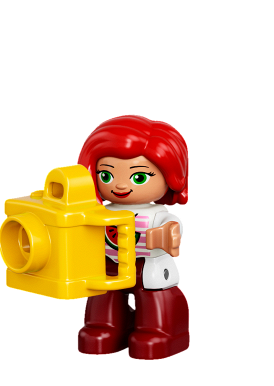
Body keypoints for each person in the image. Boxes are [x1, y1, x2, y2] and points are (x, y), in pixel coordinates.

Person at [76, 115, 190, 359]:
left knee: (154, 297)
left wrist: (166, 235)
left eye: (138, 177)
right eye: (106, 176)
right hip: (110, 266)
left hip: (147, 267)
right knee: (103, 296)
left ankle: (160, 330)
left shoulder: (156, 214)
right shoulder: (101, 211)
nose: (119, 186)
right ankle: (105, 326)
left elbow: (173, 226)